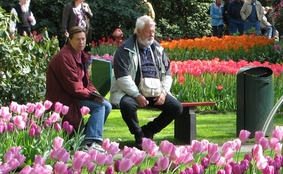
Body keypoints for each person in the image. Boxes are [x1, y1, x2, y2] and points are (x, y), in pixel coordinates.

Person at [110, 15, 183, 147]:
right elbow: (122, 77)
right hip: (130, 92)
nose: (152, 34)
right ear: (138, 31)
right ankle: (138, 134)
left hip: (155, 91)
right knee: (127, 105)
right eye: (148, 31)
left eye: (153, 31)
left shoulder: (158, 49)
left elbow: (167, 73)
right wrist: (137, 95)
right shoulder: (124, 49)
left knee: (176, 107)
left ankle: (148, 130)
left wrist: (164, 93)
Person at [46, 26, 112, 152]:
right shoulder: (64, 57)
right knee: (99, 106)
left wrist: (95, 93)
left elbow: (86, 82)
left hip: (76, 96)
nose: (81, 42)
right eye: (77, 39)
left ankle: (87, 139)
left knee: (107, 105)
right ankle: (91, 142)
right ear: (70, 40)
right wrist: (93, 97)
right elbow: (73, 87)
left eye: (83, 39)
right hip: (65, 99)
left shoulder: (80, 55)